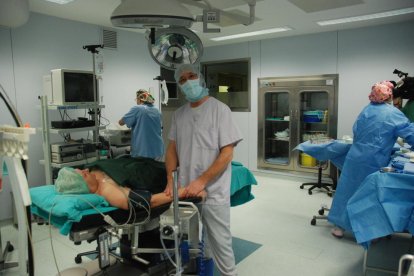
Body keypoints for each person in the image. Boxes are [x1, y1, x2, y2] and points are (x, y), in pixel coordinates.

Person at [164, 64, 243, 276]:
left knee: (220, 242)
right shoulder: (179, 115)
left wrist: (202, 181)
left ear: (201, 79)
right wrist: (170, 182)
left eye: (191, 76)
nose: (187, 82)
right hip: (185, 190)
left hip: (213, 191)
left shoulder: (219, 110)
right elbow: (172, 150)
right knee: (189, 239)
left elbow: (227, 153)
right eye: (182, 80)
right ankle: (200, 269)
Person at [328, 81, 414, 238]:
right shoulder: (393, 113)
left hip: (355, 156)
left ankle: (339, 226)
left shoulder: (366, 110)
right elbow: (410, 133)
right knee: (367, 194)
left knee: (347, 190)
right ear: (389, 96)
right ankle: (366, 230)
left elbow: (356, 130)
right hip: (374, 159)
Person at [54, 157, 205, 210]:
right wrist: (185, 192)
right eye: (84, 174)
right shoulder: (108, 191)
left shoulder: (94, 171)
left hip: (148, 164)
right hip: (161, 177)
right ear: (83, 186)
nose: (86, 169)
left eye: (82, 170)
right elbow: (149, 201)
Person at [119, 89, 164, 160]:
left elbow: (121, 122)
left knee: (142, 170)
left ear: (140, 99)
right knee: (155, 170)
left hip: (143, 151)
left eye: (136, 99)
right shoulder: (157, 110)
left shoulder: (137, 109)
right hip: (158, 150)